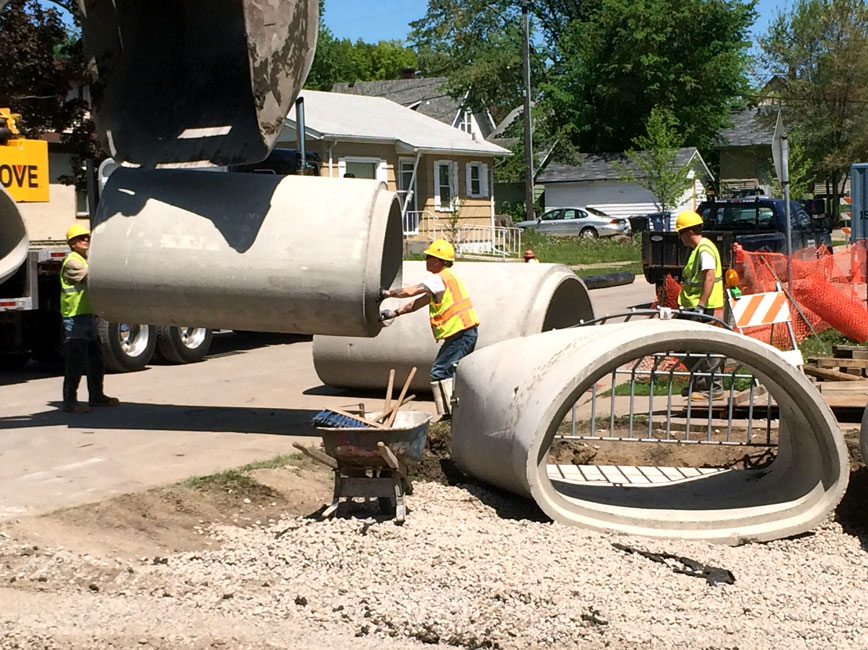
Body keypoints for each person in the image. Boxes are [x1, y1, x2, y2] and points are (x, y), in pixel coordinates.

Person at [379, 239, 479, 418]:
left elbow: (410, 292)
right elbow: (417, 303)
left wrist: (387, 293)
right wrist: (394, 313)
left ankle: (448, 417)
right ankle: (457, 414)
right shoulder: (445, 279)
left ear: (439, 261)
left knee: (440, 371)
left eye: (430, 257)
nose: (426, 260)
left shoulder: (439, 278)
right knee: (452, 373)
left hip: (461, 333)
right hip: (463, 333)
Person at [60, 224, 119, 413]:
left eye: (87, 238)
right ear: (72, 243)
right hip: (74, 318)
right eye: (80, 238)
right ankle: (70, 402)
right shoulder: (72, 262)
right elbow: (92, 278)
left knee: (96, 358)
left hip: (87, 316)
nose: (85, 241)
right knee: (76, 361)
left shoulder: (84, 259)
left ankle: (96, 396)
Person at [675, 209, 724, 399]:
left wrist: (701, 306)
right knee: (681, 345)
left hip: (700, 307)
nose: (679, 238)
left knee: (701, 346)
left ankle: (714, 387)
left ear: (688, 232)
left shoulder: (704, 250)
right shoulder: (698, 250)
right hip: (692, 306)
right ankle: (701, 382)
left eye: (680, 233)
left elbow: (709, 278)